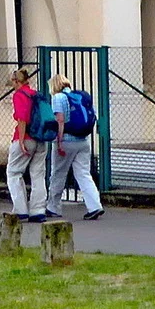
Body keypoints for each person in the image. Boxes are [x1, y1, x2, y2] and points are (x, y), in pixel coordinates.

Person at [46, 73, 104, 221]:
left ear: (54, 85)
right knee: (84, 174)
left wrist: (58, 143)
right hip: (83, 142)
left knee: (58, 173)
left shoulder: (58, 98)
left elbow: (60, 120)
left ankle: (53, 207)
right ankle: (95, 206)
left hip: (66, 141)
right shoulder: (80, 97)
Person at [6, 67, 50, 222]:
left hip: (25, 138)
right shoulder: (34, 94)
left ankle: (20, 209)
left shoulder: (19, 95)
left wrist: (22, 140)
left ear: (16, 81)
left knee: (14, 173)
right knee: (38, 174)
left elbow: (22, 118)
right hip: (41, 138)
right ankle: (38, 210)